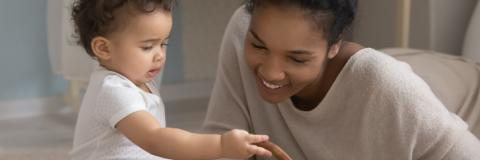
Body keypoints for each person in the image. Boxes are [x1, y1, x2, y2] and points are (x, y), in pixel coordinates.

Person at [203, 0, 480, 159]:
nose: (270, 73)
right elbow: (219, 141)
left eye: (297, 58)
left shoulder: (387, 87)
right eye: (259, 46)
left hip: (463, 96)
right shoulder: (242, 28)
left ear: (334, 45)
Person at [69, 0, 272, 159]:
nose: (159, 55)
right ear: (104, 48)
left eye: (163, 44)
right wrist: (220, 145)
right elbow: (154, 139)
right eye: (147, 47)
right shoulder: (112, 89)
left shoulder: (140, 83)